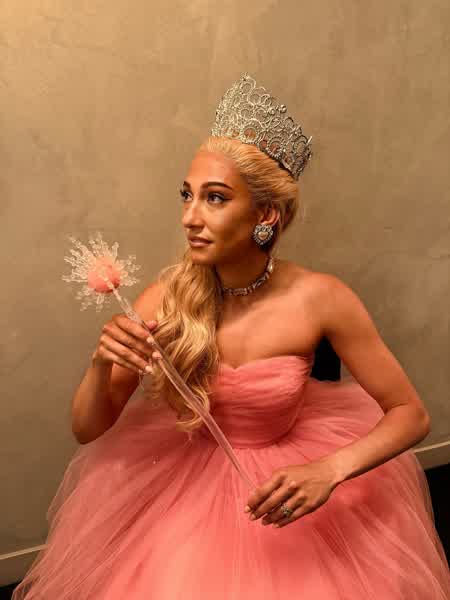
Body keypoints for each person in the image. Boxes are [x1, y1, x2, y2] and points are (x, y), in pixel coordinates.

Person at [13, 73, 450, 599]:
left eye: (214, 198)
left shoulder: (321, 298)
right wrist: (99, 363)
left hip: (288, 478)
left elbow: (411, 414)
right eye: (187, 196)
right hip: (180, 489)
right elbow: (88, 429)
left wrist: (329, 470)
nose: (189, 217)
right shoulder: (163, 297)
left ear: (265, 214)